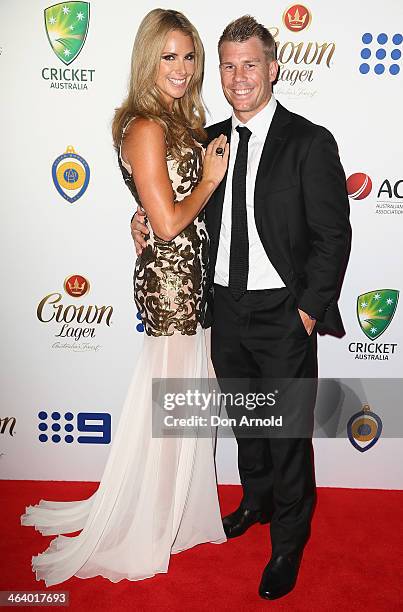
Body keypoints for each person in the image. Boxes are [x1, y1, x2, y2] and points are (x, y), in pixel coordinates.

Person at [132, 15, 351, 600]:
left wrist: (306, 311)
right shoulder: (208, 143)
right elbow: (173, 210)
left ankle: (288, 539)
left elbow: (333, 236)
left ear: (273, 68)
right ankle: (254, 502)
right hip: (222, 308)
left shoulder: (309, 141)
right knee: (245, 422)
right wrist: (142, 223)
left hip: (284, 311)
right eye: (227, 65)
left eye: (249, 64)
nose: (238, 77)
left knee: (286, 432)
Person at [21, 9, 229, 586]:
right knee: (173, 404)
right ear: (147, 61)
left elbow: (158, 208)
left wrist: (152, 212)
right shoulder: (146, 125)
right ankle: (148, 526)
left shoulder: (175, 120)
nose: (181, 68)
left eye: (189, 56)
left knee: (186, 404)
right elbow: (166, 225)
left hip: (189, 274)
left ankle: (174, 514)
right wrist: (208, 181)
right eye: (168, 56)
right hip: (172, 281)